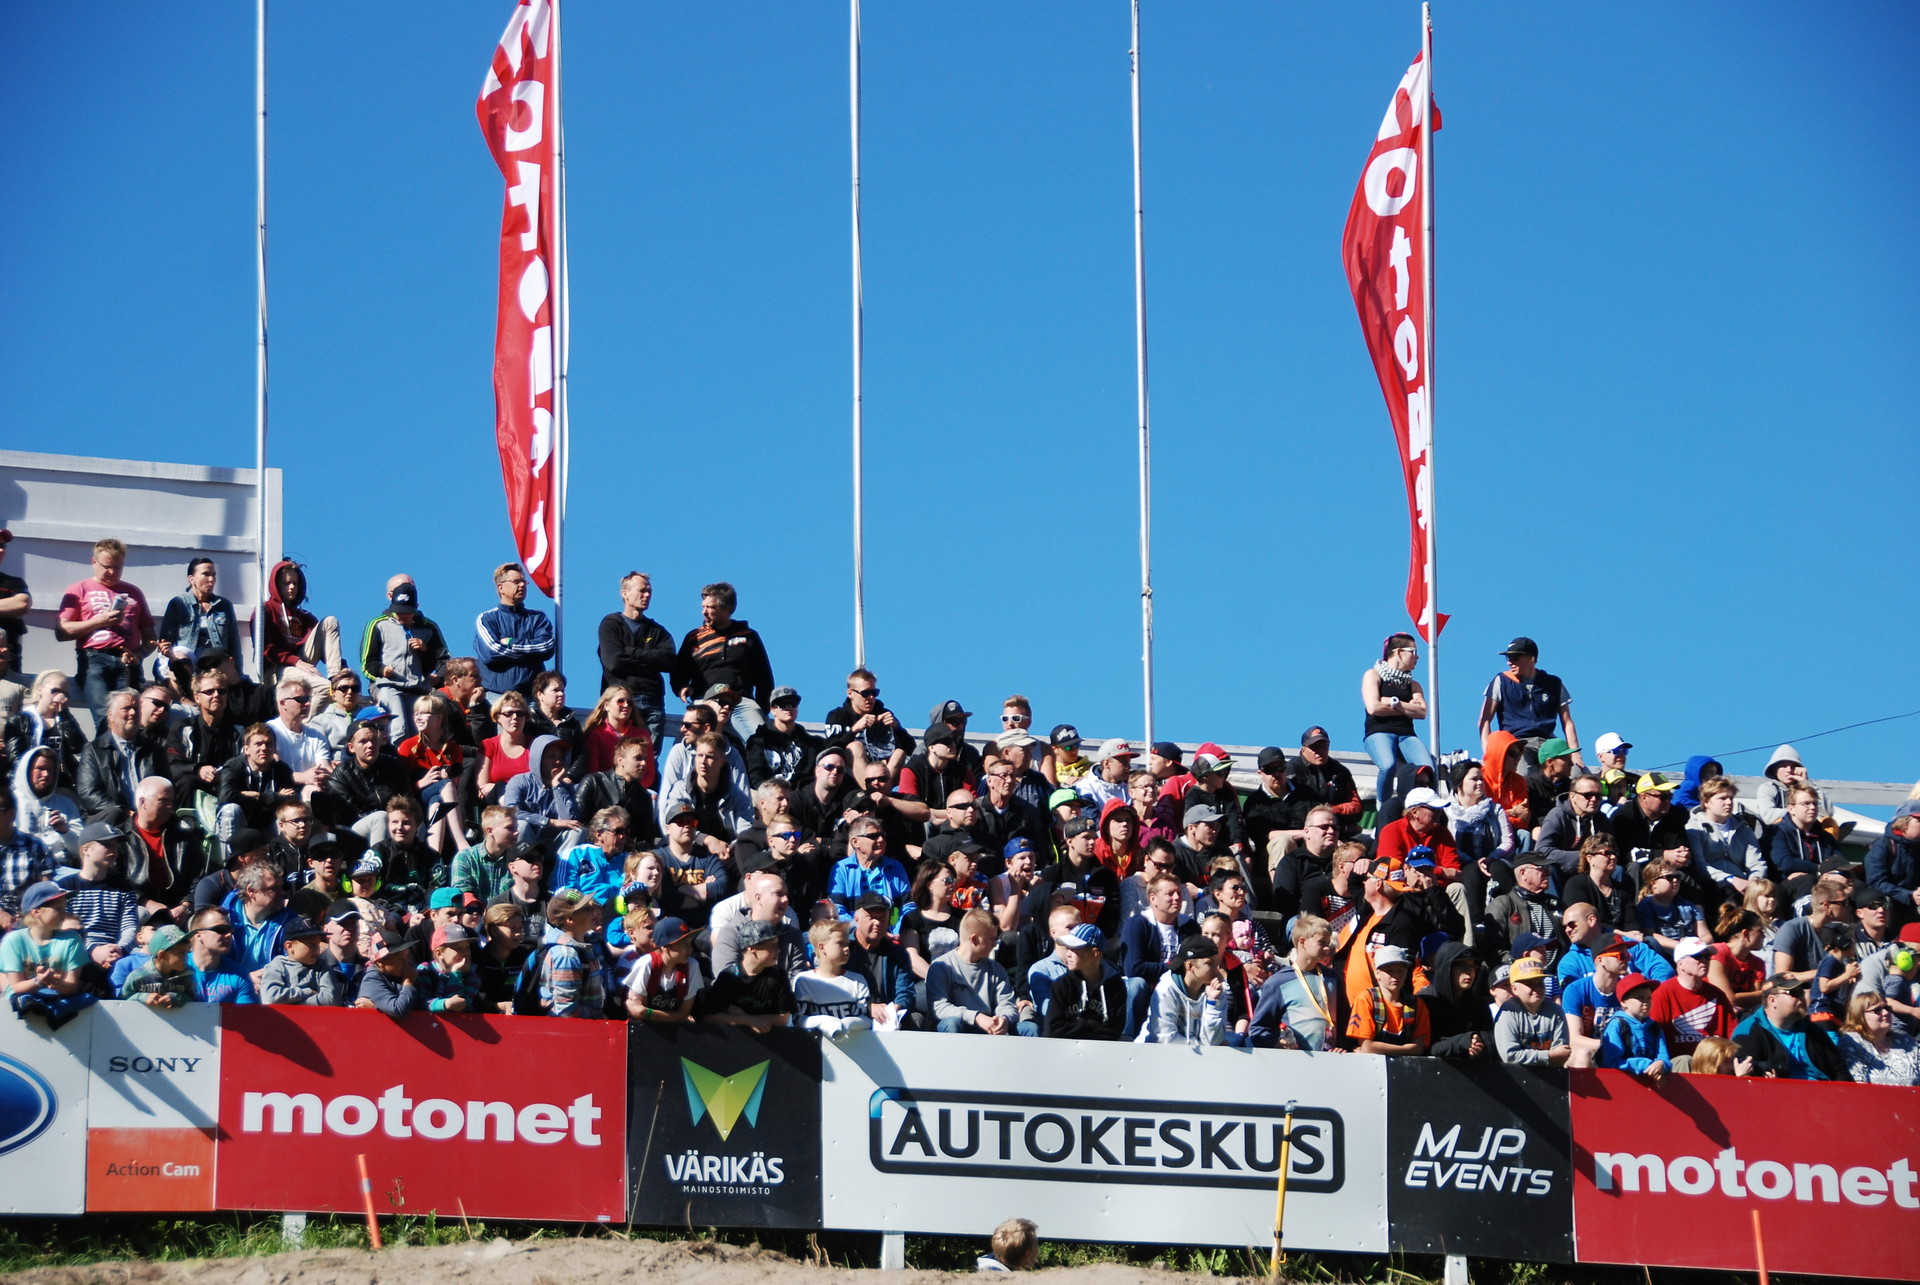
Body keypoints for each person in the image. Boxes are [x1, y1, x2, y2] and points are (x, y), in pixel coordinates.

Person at [56, 538, 156, 718]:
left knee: (129, 717)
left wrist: (139, 655)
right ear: (94, 562)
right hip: (95, 659)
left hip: (128, 659)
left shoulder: (134, 592)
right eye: (107, 567)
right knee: (104, 716)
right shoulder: (79, 589)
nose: (112, 572)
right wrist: (99, 622)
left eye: (118, 567)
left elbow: (150, 637)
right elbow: (61, 632)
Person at [675, 582, 774, 740]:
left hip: (740, 701)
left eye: (710, 607)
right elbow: (679, 670)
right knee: (685, 741)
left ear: (727, 609)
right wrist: (681, 687)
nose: (704, 612)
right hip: (704, 700)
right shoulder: (694, 637)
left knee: (761, 740)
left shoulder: (748, 636)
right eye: (703, 607)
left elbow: (764, 677)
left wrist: (762, 709)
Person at [360, 581, 449, 735]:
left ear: (416, 607)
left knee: (420, 732)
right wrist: (381, 670)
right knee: (398, 728)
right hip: (389, 685)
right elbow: (367, 663)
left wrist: (425, 651)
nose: (402, 616)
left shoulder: (429, 627)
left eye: (407, 612)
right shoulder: (378, 624)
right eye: (399, 611)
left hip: (418, 688)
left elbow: (444, 661)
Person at [929, 909, 1036, 1036]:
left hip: (990, 1028)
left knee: (1029, 1028)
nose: (995, 944)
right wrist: (976, 1017)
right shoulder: (941, 967)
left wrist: (1004, 1019)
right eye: (991, 939)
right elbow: (939, 1007)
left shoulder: (996, 969)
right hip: (959, 1026)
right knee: (951, 1023)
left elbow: (1007, 1004)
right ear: (974, 939)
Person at [1477, 637, 1580, 766]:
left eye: (1515, 657)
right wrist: (1488, 753)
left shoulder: (1553, 683)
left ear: (1531, 658)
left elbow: (1567, 721)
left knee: (1573, 771)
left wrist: (1575, 753)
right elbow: (1484, 720)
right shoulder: (1501, 681)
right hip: (1516, 743)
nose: (1509, 662)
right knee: (1523, 770)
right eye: (1508, 658)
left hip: (1548, 744)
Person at [2, 882, 93, 1026]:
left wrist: (54, 983)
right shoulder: (14, 940)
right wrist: (39, 982)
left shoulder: (72, 939)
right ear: (37, 912)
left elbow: (71, 986)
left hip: (58, 1001)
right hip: (17, 1014)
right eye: (58, 909)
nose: (64, 913)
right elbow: (16, 987)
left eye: (64, 908)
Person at [1249, 914, 1342, 1050]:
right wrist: (1276, 1044)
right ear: (1302, 942)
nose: (1327, 948)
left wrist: (1343, 1047)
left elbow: (1345, 1019)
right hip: (1295, 1059)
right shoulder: (1278, 982)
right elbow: (1259, 1028)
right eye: (1322, 942)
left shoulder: (1332, 978)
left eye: (1328, 943)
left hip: (1332, 1059)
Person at [1733, 974, 1846, 1080]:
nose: (1801, 997)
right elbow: (1747, 1076)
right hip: (1779, 1092)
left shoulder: (1812, 1029)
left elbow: (1839, 1069)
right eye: (1794, 993)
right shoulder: (1748, 1031)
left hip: (1821, 1090)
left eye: (1801, 993)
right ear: (1772, 1000)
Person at [77, 688, 167, 817]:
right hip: (111, 818)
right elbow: (89, 794)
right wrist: (126, 813)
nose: (133, 712)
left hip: (149, 817)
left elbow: (166, 786)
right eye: (126, 708)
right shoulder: (93, 750)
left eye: (136, 708)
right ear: (110, 716)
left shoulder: (154, 749)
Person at [263, 559, 344, 700]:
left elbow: (325, 647)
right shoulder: (266, 609)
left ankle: (337, 678)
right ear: (276, 584)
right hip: (278, 668)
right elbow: (266, 649)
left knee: (330, 621)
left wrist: (343, 668)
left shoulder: (304, 616)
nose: (292, 587)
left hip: (302, 661)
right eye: (286, 583)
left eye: (295, 583)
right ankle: (303, 715)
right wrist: (296, 662)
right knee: (327, 689)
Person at [473, 562, 555, 696]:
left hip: (531, 698)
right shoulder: (487, 619)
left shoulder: (537, 618)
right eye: (516, 582)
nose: (522, 585)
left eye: (524, 582)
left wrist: (510, 642)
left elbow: (546, 647)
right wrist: (530, 653)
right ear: (501, 588)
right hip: (495, 697)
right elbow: (492, 652)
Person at [698, 919, 794, 1032]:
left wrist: (745, 1017)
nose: (778, 950)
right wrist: (748, 1020)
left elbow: (783, 1019)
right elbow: (710, 1017)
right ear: (752, 948)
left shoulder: (778, 976)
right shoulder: (728, 977)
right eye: (771, 945)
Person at [1650, 938, 1737, 1061]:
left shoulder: (1717, 995)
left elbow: (1732, 1035)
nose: (1704, 961)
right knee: (1686, 1060)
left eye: (1707, 957)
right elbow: (1654, 1036)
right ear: (1680, 963)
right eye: (1698, 956)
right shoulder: (1662, 993)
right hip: (1676, 1065)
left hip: (1711, 1063)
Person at [1360, 633, 1431, 783]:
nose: (1417, 657)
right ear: (1399, 652)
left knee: (1428, 768)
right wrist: (1408, 709)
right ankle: (1383, 798)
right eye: (1413, 652)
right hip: (1379, 732)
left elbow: (1422, 712)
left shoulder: (1413, 685)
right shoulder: (1373, 675)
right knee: (1388, 766)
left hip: (1407, 735)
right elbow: (1374, 708)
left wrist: (1395, 703)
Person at [157, 557, 240, 679]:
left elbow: (234, 643)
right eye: (206, 574)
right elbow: (166, 640)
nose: (211, 579)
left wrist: (238, 673)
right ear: (192, 579)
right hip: (187, 665)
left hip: (215, 664)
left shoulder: (224, 605)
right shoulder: (178, 603)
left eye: (214, 575)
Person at [1043, 923, 1128, 1040]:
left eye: (1074, 949)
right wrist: (1091, 1025)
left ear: (1094, 953)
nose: (1068, 954)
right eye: (1068, 948)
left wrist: (1076, 1026)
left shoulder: (1116, 987)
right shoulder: (1061, 986)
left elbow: (1114, 1032)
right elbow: (1053, 1030)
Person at [824, 668, 914, 780]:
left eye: (874, 693)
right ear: (850, 693)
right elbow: (830, 750)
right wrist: (854, 730)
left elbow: (911, 749)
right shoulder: (838, 716)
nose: (871, 698)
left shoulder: (884, 713)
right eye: (865, 693)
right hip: (849, 777)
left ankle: (881, 786)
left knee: (899, 753)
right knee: (855, 747)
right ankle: (868, 787)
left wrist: (897, 728)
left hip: (883, 773)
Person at [1686, 777, 1765, 899]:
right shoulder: (1694, 827)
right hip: (1712, 885)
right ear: (1706, 802)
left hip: (1745, 884)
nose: (1729, 802)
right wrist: (1731, 879)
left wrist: (1754, 882)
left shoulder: (1743, 828)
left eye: (1731, 798)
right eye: (1722, 798)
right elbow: (1699, 865)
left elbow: (1756, 863)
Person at [1417, 942, 1495, 1062]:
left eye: (1472, 966)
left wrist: (1477, 1048)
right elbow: (1424, 1047)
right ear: (1447, 969)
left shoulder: (1478, 1003)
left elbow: (1489, 1044)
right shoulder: (1425, 1001)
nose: (1469, 971)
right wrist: (1461, 1042)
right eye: (1463, 966)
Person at [1346, 944, 1429, 1056]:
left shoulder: (1417, 1005)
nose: (1395, 976)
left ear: (1406, 973)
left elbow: (1419, 1048)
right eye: (1389, 971)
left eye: (1400, 970)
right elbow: (1367, 1047)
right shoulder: (1366, 999)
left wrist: (1376, 1048)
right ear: (1377, 974)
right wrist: (1406, 1049)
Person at [1287, 727, 1364, 837]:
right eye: (1314, 747)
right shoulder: (1291, 770)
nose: (1320, 751)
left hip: (1335, 832)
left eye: (1324, 746)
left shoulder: (1340, 771)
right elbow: (1287, 806)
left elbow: (1357, 808)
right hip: (1301, 832)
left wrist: (1332, 810)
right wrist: (1321, 813)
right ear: (1303, 750)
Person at [1495, 959, 1572, 1066]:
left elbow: (1561, 1054)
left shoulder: (1555, 1011)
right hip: (1516, 1074)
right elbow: (1510, 1056)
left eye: (1540, 983)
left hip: (1550, 1073)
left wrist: (1552, 1056)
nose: (1537, 988)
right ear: (1515, 989)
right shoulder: (1508, 1012)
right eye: (1530, 984)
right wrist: (1548, 1055)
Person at [746, 687, 826, 788]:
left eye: (793, 704)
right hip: (768, 793)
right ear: (773, 710)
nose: (789, 708)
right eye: (783, 704)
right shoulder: (758, 741)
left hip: (801, 795)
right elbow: (756, 776)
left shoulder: (813, 744)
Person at [1598, 973, 1672, 1081]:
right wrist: (1645, 1064)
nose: (1646, 1002)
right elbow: (1612, 1062)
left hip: (1650, 1081)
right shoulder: (1617, 1024)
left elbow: (1664, 1057)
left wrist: (1661, 1064)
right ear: (1624, 1002)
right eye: (1640, 998)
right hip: (1620, 1082)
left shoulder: (1654, 1027)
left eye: (1649, 998)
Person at [1535, 774, 1610, 880]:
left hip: (1592, 872)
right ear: (1572, 796)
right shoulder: (1557, 815)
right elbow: (1542, 851)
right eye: (1588, 795)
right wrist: (1583, 857)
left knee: (1618, 870)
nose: (1593, 799)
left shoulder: (1602, 819)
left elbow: (1611, 849)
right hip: (1562, 872)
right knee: (1550, 867)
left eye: (1598, 796)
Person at [258, 917, 347, 1006]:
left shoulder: (322, 968)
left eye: (317, 944)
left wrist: (290, 1003)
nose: (317, 949)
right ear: (289, 946)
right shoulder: (277, 966)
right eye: (311, 944)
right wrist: (307, 992)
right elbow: (270, 998)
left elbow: (329, 1000)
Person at [1837, 992, 1920, 1086]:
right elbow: (1859, 1084)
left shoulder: (1905, 1040)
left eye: (1887, 1008)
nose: (1886, 1013)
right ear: (1859, 1016)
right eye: (1877, 1010)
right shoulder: (1853, 1042)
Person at [183, 906, 258, 1004]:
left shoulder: (239, 975)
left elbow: (245, 1012)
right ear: (199, 935)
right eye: (221, 929)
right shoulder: (176, 968)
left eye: (230, 930)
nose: (229, 935)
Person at [1863, 798, 1920, 924]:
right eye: (1919, 820)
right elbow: (1876, 882)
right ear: (1904, 823)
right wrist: (1909, 895)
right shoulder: (1883, 846)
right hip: (1888, 909)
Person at [1636, 857, 1708, 955]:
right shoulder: (1646, 905)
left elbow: (1705, 935)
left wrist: (1697, 945)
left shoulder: (1688, 906)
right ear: (1653, 883)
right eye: (1669, 878)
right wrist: (1681, 946)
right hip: (1665, 953)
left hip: (1694, 950)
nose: (1675, 880)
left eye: (1677, 877)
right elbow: (1650, 934)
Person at [1706, 906, 1770, 1012]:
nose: (1764, 936)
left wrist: (1740, 1006)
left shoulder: (1758, 963)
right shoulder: (1717, 953)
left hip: (1741, 1014)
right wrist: (1767, 992)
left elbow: (1754, 1000)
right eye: (1760, 931)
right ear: (1745, 933)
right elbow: (1728, 998)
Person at [118, 923, 196, 1008]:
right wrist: (143, 997)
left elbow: (193, 999)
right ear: (162, 955)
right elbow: (122, 1002)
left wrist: (177, 998)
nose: (187, 957)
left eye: (187, 952)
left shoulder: (186, 976)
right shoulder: (137, 977)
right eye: (182, 953)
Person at [352, 930, 418, 1018]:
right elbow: (398, 1010)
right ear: (380, 962)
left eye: (407, 956)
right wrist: (408, 984)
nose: (406, 963)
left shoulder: (405, 974)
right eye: (399, 959)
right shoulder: (372, 979)